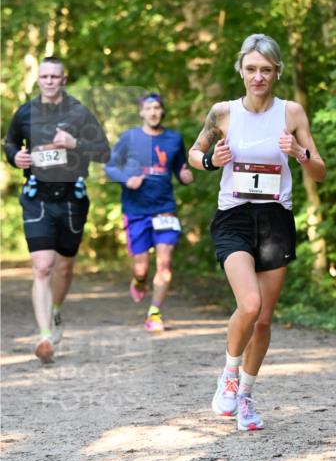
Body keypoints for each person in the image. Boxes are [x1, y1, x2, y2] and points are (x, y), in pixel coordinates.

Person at [188, 33, 326, 431]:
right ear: (241, 71)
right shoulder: (223, 113)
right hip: (233, 217)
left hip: (275, 219)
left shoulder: (292, 113)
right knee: (248, 304)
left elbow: (319, 170)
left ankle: (245, 397)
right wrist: (212, 160)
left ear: (277, 72)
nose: (258, 77)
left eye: (266, 70)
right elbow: (195, 154)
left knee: (263, 320)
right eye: (251, 69)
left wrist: (298, 154)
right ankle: (229, 375)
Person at [3, 55, 110, 363]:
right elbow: (9, 143)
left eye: (55, 77)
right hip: (37, 197)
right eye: (44, 77)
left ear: (63, 80)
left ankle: (57, 311)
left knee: (64, 266)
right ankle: (44, 336)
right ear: (38, 79)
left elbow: (104, 152)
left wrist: (75, 143)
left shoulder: (79, 113)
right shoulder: (25, 113)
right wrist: (15, 158)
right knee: (42, 267)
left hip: (72, 199)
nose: (49, 81)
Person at [104, 93, 193, 332]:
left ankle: (154, 312)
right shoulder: (129, 138)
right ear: (141, 112)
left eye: (157, 108)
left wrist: (185, 177)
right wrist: (127, 179)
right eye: (149, 108)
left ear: (162, 111)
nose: (153, 112)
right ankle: (140, 280)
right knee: (141, 266)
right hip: (135, 210)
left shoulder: (174, 139)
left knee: (165, 263)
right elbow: (110, 167)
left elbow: (180, 169)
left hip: (165, 209)